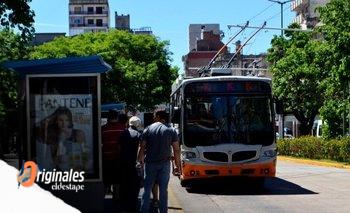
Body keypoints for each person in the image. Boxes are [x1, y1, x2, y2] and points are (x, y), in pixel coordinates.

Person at [138, 109, 181, 213]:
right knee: (163, 191)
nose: (153, 117)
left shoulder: (148, 129)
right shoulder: (171, 130)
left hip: (150, 164)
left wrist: (140, 161)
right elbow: (176, 149)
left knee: (147, 189)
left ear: (157, 116)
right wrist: (177, 165)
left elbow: (142, 147)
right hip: (165, 164)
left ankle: (144, 210)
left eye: (154, 115)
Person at [36, 106, 88, 171]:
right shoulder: (52, 137)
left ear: (70, 121)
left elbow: (85, 155)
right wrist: (61, 140)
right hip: (59, 172)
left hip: (76, 170)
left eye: (66, 120)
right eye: (61, 120)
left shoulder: (78, 134)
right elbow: (54, 161)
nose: (63, 123)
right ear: (56, 121)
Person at [119, 116, 142, 213]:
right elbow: (141, 150)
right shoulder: (138, 134)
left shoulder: (123, 133)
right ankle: (132, 207)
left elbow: (119, 148)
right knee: (134, 187)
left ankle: (123, 207)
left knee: (124, 185)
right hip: (134, 164)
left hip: (123, 163)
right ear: (138, 124)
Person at [102, 110, 127, 196]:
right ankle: (116, 199)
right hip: (119, 159)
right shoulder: (123, 128)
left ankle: (103, 200)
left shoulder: (103, 129)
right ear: (117, 117)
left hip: (106, 159)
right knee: (117, 181)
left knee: (106, 180)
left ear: (108, 118)